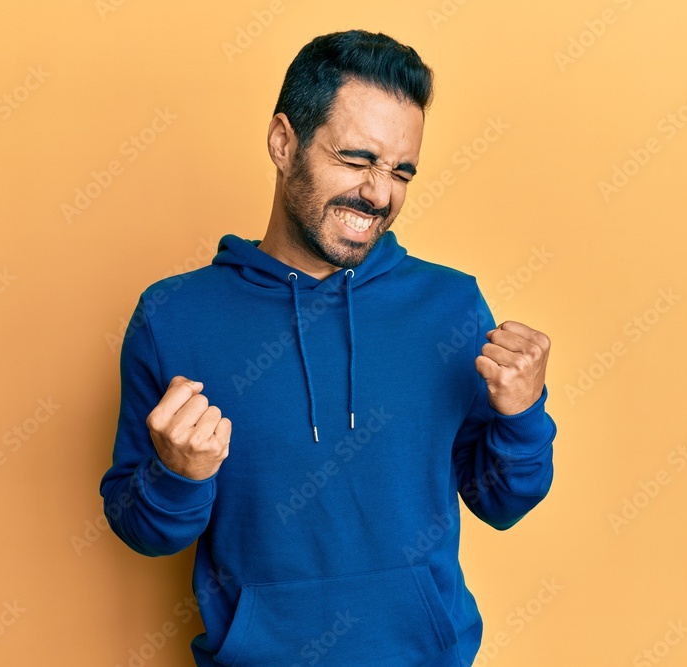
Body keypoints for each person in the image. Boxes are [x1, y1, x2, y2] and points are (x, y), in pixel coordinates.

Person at [100, 28, 557, 667]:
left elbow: (501, 502)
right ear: (283, 142)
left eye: (400, 171)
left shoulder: (451, 306)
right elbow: (140, 529)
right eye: (356, 159)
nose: (379, 193)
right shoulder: (173, 316)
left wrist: (523, 416)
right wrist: (177, 475)